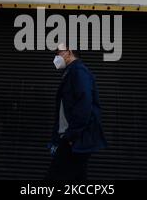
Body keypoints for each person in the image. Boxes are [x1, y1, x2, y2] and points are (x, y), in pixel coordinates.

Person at [46, 43, 107, 180]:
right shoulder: (70, 72)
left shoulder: (78, 72)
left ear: (69, 51)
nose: (56, 57)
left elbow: (84, 105)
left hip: (74, 140)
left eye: (58, 52)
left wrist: (71, 137)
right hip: (70, 139)